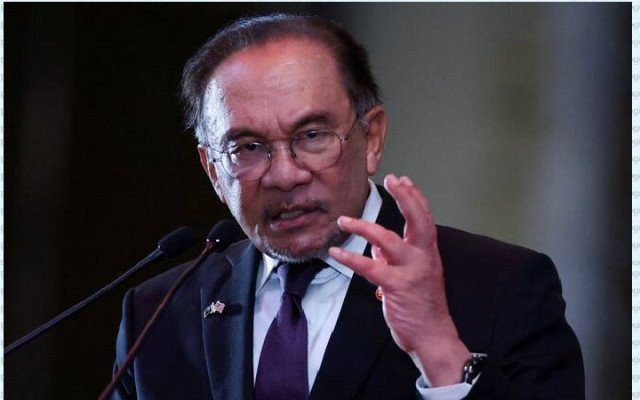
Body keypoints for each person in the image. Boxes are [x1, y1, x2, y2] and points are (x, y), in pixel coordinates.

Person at [112, 13, 584, 399]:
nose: (285, 174)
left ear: (371, 137)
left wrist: (439, 349)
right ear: (214, 170)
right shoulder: (157, 315)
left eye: (312, 136)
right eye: (248, 148)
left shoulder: (501, 288)